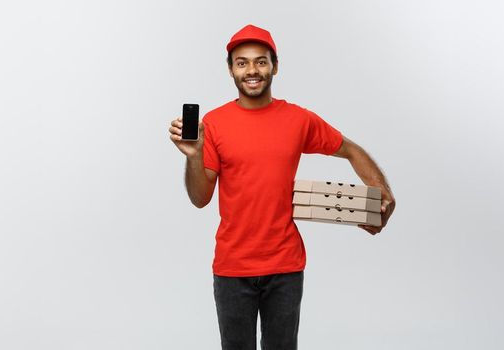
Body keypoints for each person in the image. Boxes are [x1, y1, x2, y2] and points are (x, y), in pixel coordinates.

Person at [167, 24, 395, 350]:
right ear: (231, 69)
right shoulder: (213, 125)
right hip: (233, 268)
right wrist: (193, 155)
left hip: (285, 266)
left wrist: (382, 193)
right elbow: (200, 198)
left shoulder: (298, 120)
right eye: (242, 62)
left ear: (275, 66)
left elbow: (350, 149)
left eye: (261, 61)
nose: (252, 70)